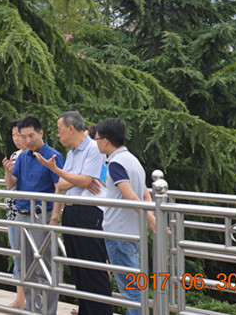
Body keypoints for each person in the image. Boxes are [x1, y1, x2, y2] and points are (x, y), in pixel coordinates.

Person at [38, 111, 112, 315]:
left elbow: (85, 180)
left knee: (93, 268)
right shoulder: (71, 154)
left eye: (59, 130)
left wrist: (59, 172)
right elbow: (61, 185)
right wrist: (55, 217)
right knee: (78, 268)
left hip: (89, 212)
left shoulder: (94, 149)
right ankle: (85, 310)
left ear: (71, 128)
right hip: (71, 210)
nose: (58, 134)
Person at [94, 118, 156, 315]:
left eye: (96, 139)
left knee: (131, 291)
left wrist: (151, 220)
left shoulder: (116, 163)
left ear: (105, 141)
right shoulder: (133, 160)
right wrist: (151, 218)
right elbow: (145, 195)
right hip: (133, 232)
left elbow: (131, 197)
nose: (96, 143)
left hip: (118, 233)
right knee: (134, 285)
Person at [4, 115, 62, 315]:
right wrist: (7, 172)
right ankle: (31, 309)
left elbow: (60, 188)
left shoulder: (53, 156)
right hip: (21, 214)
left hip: (41, 215)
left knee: (44, 266)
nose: (27, 140)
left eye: (31, 136)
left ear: (41, 133)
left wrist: (55, 218)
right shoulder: (22, 157)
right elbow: (11, 184)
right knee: (25, 267)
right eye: (23, 137)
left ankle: (47, 311)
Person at [2, 119, 26, 309]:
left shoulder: (33, 155)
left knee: (29, 256)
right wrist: (7, 171)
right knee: (17, 254)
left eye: (19, 135)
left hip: (26, 211)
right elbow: (10, 184)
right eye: (13, 135)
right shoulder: (14, 155)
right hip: (12, 211)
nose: (16, 138)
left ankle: (30, 297)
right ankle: (20, 298)